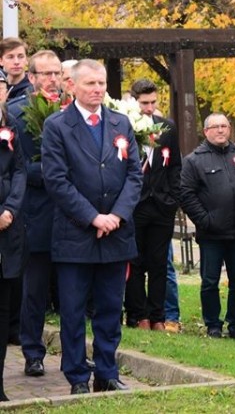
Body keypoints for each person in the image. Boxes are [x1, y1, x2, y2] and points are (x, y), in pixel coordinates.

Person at [41, 59, 143, 394]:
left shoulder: (120, 122)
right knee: (72, 312)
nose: (97, 90)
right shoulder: (57, 126)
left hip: (115, 234)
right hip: (76, 235)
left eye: (101, 84)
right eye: (90, 84)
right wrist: (93, 217)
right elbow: (56, 180)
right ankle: (76, 377)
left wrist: (116, 215)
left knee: (111, 309)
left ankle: (107, 372)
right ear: (72, 86)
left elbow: (133, 175)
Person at [179, 113, 235, 340]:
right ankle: (213, 324)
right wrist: (205, 220)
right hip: (212, 234)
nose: (221, 130)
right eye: (216, 127)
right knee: (210, 281)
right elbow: (186, 194)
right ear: (206, 132)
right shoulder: (194, 160)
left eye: (224, 126)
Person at [10, 50, 62, 377]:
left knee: (73, 291)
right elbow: (14, 167)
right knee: (35, 290)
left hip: (71, 215)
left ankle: (73, 351)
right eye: (46, 74)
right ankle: (32, 351)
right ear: (32, 77)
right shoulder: (16, 113)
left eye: (56, 73)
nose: (52, 80)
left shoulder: (73, 111)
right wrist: (55, 172)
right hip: (36, 213)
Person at [123, 80, 181, 332]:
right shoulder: (123, 125)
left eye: (153, 102)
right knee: (134, 263)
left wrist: (173, 198)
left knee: (159, 263)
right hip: (134, 206)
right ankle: (139, 315)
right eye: (144, 103)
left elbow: (175, 165)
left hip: (161, 205)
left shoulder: (167, 127)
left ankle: (158, 316)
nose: (149, 108)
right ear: (133, 100)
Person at [0, 100, 27, 401]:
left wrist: (10, 210)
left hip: (8, 229)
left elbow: (19, 171)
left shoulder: (11, 128)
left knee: (3, 308)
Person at [0, 38, 32, 103]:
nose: (16, 62)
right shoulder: (2, 85)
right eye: (10, 57)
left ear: (26, 60)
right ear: (1, 61)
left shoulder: (33, 89)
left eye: (20, 57)